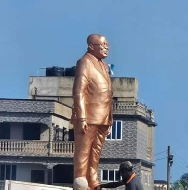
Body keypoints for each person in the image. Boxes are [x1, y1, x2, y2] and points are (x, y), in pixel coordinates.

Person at [71, 34, 113, 190]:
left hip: (103, 116)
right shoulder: (85, 62)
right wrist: (81, 117)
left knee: (96, 153)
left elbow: (108, 93)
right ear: (91, 46)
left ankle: (93, 180)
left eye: (107, 45)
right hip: (88, 116)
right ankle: (80, 179)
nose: (106, 47)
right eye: (102, 45)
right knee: (83, 150)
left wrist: (110, 116)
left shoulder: (104, 65)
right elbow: (78, 91)